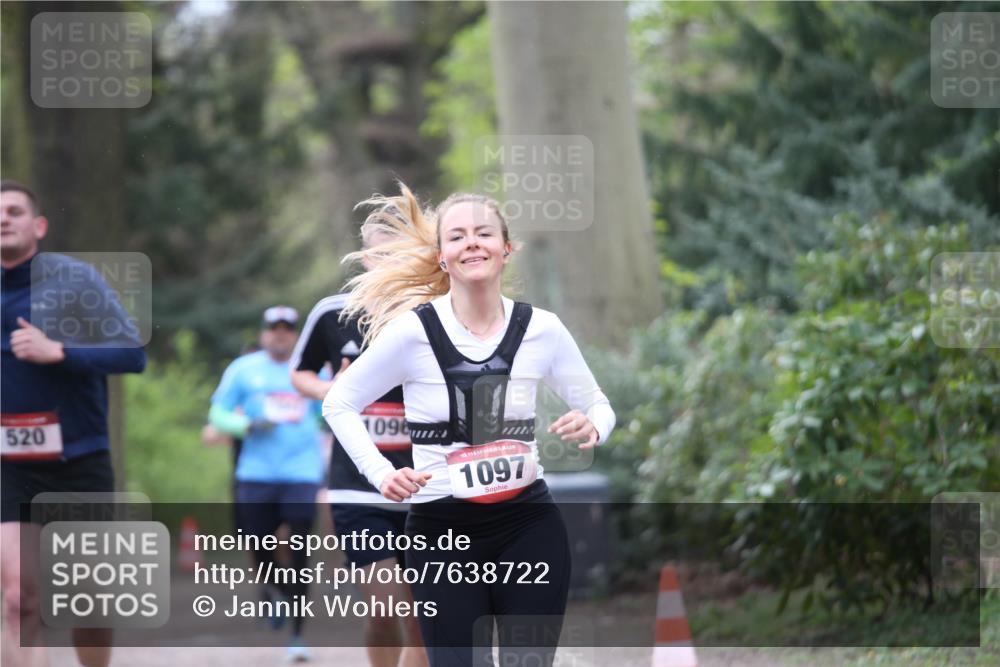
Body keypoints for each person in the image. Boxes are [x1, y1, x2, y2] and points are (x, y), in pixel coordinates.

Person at [323, 184, 616, 667]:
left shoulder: (542, 328)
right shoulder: (413, 331)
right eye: (457, 236)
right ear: (442, 257)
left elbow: (598, 404)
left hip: (528, 523)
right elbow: (338, 403)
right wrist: (381, 473)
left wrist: (594, 426)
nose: (472, 243)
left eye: (484, 233)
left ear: (507, 248)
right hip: (442, 531)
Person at [1, 180, 147, 667]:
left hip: (79, 459)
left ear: (37, 225)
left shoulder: (73, 282)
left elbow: (131, 354)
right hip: (9, 465)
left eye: (14, 211)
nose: (3, 219)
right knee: (19, 598)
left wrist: (58, 352)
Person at [290, 224, 428, 667]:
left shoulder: (433, 314)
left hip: (425, 484)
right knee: (385, 608)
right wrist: (335, 388)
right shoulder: (333, 313)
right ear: (365, 260)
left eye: (402, 257)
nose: (391, 266)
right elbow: (301, 373)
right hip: (357, 486)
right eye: (381, 257)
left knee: (423, 620)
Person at [208, 306, 323, 663]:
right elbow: (217, 414)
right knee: (257, 543)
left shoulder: (313, 369)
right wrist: (246, 426)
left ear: (297, 335)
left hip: (302, 472)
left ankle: (297, 635)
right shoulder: (243, 370)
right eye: (274, 328)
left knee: (300, 543)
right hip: (256, 473)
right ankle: (273, 588)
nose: (280, 334)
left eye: (288, 329)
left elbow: (330, 408)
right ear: (263, 334)